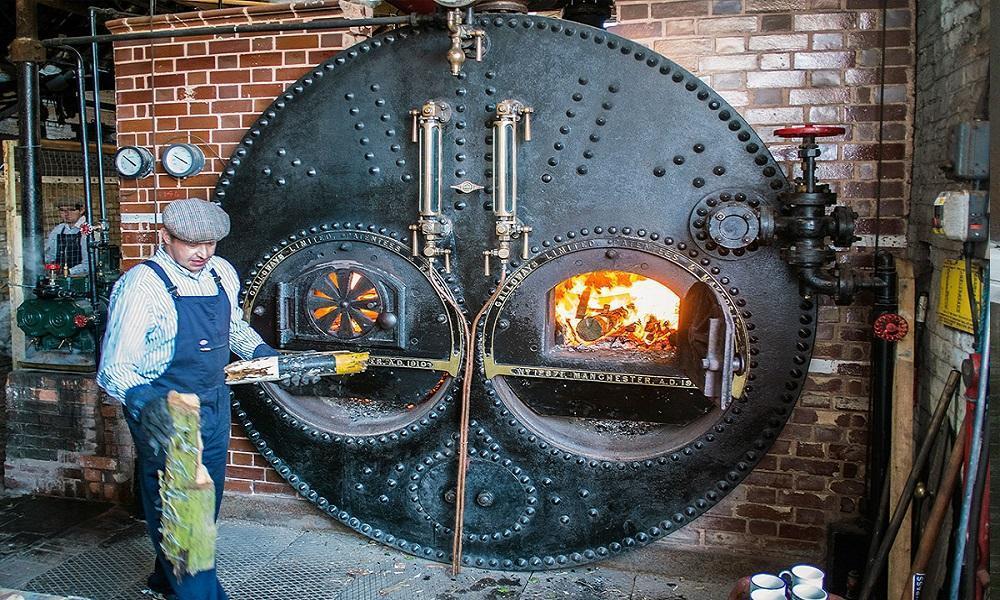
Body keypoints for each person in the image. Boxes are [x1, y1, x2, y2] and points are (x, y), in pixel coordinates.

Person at [97, 198, 282, 600]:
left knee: (206, 502)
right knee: (188, 521)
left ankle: (164, 581)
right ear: (165, 237)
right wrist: (148, 406)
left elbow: (233, 327)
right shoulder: (141, 285)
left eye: (211, 243)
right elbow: (114, 369)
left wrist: (260, 353)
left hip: (214, 404)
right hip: (165, 411)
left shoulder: (221, 273)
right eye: (191, 244)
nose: (203, 253)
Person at [44, 201, 89, 276]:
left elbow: (89, 263)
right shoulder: (58, 229)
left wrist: (68, 272)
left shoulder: (88, 230)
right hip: (60, 278)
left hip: (82, 279)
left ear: (82, 210)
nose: (66, 214)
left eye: (71, 210)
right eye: (62, 210)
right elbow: (49, 255)